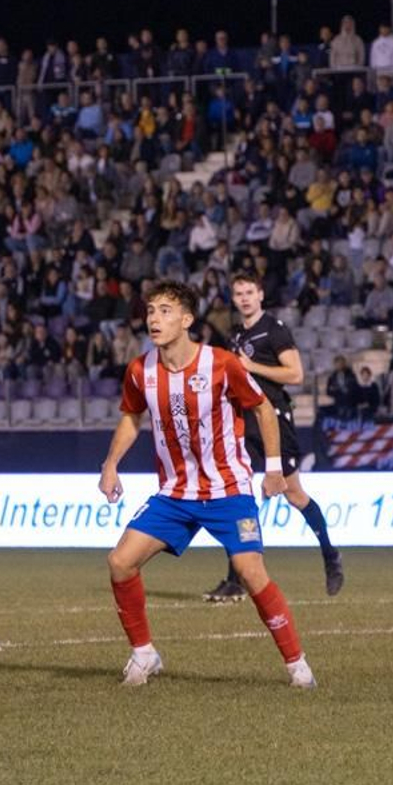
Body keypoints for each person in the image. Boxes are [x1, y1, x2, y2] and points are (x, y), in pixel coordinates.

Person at [98, 281, 316, 689]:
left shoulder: (221, 364)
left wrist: (272, 470)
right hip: (175, 494)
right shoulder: (139, 370)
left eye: (165, 310)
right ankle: (144, 654)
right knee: (120, 562)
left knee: (250, 572)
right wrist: (111, 465)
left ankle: (296, 663)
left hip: (228, 490)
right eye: (150, 311)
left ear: (187, 319)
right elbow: (131, 417)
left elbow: (263, 409)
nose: (154, 319)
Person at [202, 274, 344, 602]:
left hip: (275, 420)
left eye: (250, 292)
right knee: (238, 496)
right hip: (244, 423)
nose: (244, 298)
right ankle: (235, 579)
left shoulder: (274, 328)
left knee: (294, 494)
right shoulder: (236, 334)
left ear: (260, 294)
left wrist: (251, 366)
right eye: (238, 293)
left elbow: (295, 374)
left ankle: (330, 554)